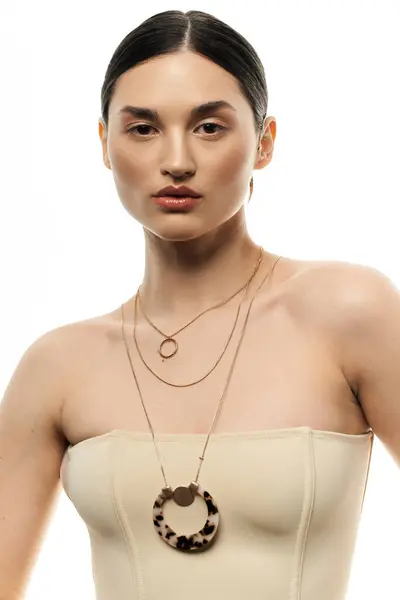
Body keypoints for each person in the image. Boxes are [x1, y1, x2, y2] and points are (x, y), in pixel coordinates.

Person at [1, 8, 400, 600]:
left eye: (209, 127)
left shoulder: (349, 312)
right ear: (105, 144)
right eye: (142, 128)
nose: (178, 159)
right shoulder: (56, 367)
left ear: (264, 142)